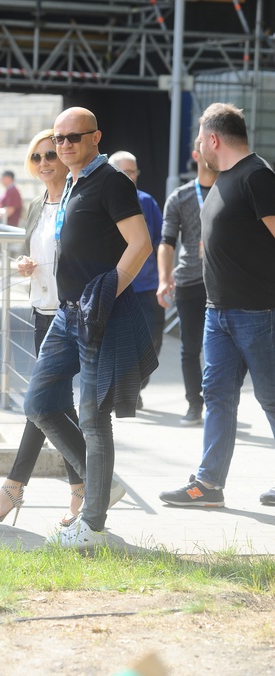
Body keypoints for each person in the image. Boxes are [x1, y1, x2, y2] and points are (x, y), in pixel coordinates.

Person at [23, 106, 158, 549]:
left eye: (73, 138)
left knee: (94, 419)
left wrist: (107, 291)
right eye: (58, 138)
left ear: (95, 138)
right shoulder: (73, 183)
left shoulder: (112, 181)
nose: (63, 145)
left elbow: (141, 244)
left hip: (99, 313)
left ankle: (92, 525)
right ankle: (102, 484)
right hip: (66, 313)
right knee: (39, 403)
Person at [159, 102, 275, 509]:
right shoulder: (224, 179)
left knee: (271, 397)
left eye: (199, 139)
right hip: (218, 312)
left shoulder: (257, 176)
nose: (197, 147)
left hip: (258, 313)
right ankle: (209, 485)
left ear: (213, 139)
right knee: (218, 397)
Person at [0, 129, 85, 526]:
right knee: (55, 404)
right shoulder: (37, 205)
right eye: (37, 157)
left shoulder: (78, 201)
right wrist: (24, 264)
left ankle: (14, 486)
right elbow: (35, 253)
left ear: (64, 157)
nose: (44, 163)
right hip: (41, 312)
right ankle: (84, 487)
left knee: (39, 403)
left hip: (70, 314)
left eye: (50, 155)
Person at [156, 138, 218, 426]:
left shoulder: (232, 191)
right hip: (190, 281)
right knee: (190, 348)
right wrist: (163, 278)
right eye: (207, 146)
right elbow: (166, 242)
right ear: (196, 154)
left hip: (225, 281)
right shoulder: (180, 197)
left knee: (227, 348)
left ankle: (219, 402)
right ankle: (195, 403)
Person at [109, 151, 164, 409]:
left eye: (134, 172)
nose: (131, 177)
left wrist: (164, 276)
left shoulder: (147, 202)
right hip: (116, 287)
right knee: (120, 342)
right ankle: (126, 389)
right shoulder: (103, 202)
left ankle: (136, 384)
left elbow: (161, 241)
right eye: (125, 172)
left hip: (147, 286)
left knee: (152, 342)